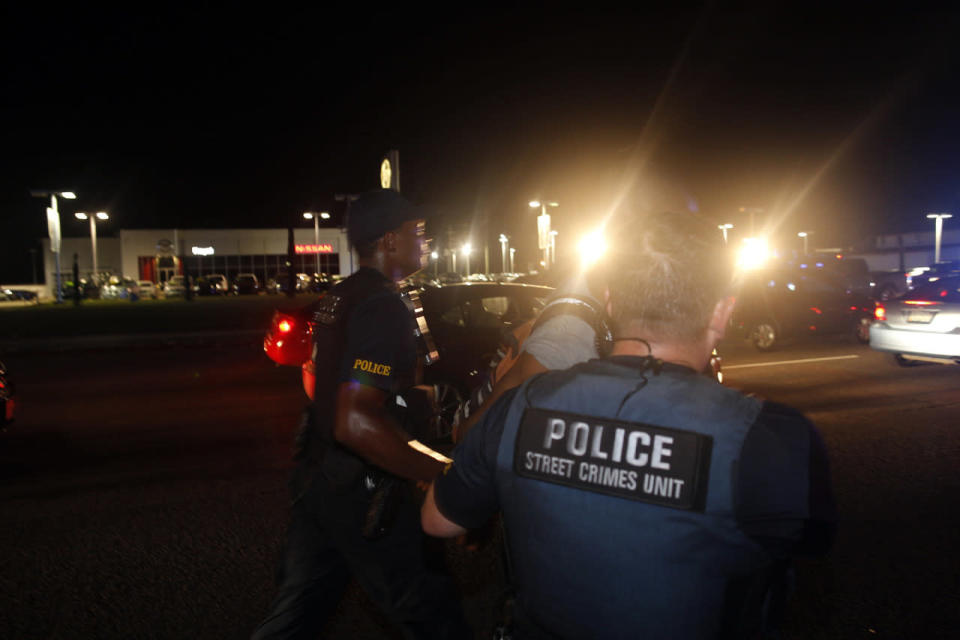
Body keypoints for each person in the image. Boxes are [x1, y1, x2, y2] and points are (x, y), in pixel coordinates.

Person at [422, 212, 837, 639]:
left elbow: (438, 520)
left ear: (609, 303)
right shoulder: (768, 437)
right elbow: (807, 541)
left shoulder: (522, 405)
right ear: (722, 313)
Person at [253, 189, 469, 640]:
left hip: (318, 479)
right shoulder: (382, 304)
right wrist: (439, 472)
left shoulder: (345, 294)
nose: (427, 240)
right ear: (389, 240)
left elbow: (328, 387)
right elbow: (356, 421)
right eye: (419, 232)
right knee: (432, 614)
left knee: (296, 614)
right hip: (363, 491)